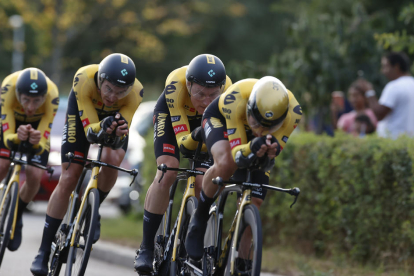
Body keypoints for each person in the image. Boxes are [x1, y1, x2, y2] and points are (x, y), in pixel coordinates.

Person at [30, 53, 144, 276]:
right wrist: (103, 125)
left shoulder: (136, 92)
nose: (113, 97)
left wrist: (116, 130)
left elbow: (121, 134)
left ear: (129, 89)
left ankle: (93, 207)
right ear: (101, 80)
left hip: (112, 123)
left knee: (113, 161)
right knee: (70, 176)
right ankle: (43, 251)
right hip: (83, 120)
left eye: (121, 92)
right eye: (109, 88)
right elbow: (90, 131)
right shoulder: (83, 78)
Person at [184, 76, 302, 261]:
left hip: (251, 135)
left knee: (255, 201)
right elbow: (238, 153)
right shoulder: (236, 101)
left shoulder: (294, 112)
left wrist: (270, 149)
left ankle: (242, 262)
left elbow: (272, 153)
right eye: (256, 122)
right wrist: (252, 146)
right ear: (250, 108)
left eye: (268, 127)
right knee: (226, 163)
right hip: (221, 120)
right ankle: (199, 219)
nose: (259, 130)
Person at [134, 54, 232, 274]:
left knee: (203, 179)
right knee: (167, 171)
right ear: (189, 85)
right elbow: (184, 145)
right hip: (172, 118)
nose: (206, 101)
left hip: (209, 122)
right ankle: (146, 247)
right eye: (199, 94)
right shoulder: (175, 84)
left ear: (222, 89)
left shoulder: (229, 93)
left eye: (213, 95)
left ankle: (191, 235)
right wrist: (198, 136)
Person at [0, 68, 59, 252]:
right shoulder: (8, 87)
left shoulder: (52, 94)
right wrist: (17, 137)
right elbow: (7, 135)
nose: (31, 106)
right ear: (18, 94)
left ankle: (16, 216)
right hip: (12, 127)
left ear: (44, 96)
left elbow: (42, 141)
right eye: (26, 100)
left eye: (37, 100)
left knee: (35, 174)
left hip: (37, 129)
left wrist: (36, 141)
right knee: (2, 164)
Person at [358, 52, 414, 139]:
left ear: (396, 67)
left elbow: (379, 114)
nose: (382, 71)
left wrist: (369, 92)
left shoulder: (394, 86)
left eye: (385, 66)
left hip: (393, 143)